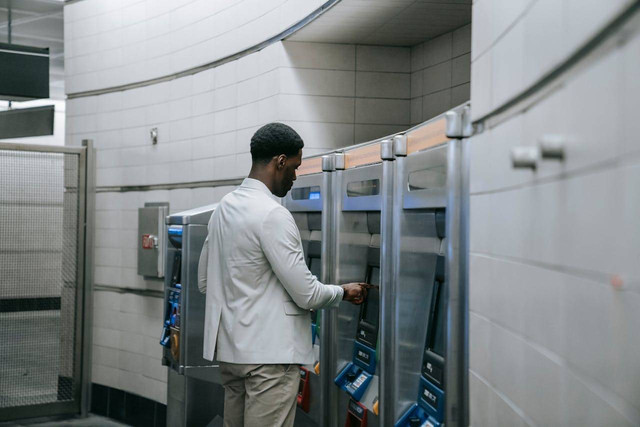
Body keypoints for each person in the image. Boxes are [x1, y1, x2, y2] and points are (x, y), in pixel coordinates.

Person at [198, 122, 368, 427]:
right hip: (269, 361)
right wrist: (343, 292)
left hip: (231, 355)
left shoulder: (223, 209)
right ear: (279, 161)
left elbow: (205, 282)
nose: (295, 175)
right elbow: (307, 294)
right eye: (295, 166)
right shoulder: (273, 214)